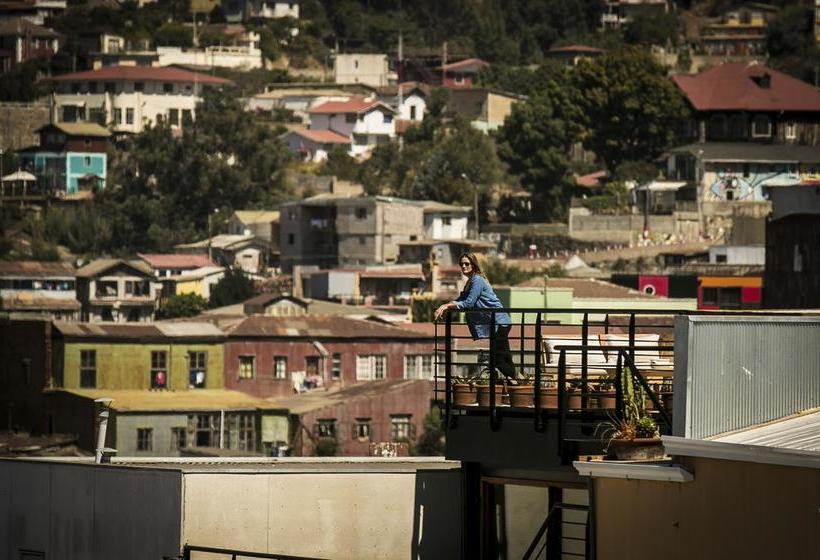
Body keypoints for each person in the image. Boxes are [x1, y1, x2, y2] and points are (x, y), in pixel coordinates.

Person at [434, 252, 517, 383]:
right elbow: (461, 299)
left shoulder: (477, 280)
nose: (464, 266)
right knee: (504, 356)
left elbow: (468, 303)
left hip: (499, 322)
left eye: (467, 263)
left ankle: (516, 379)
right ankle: (515, 383)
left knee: (498, 359)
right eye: (461, 264)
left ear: (473, 265)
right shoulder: (471, 282)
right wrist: (446, 305)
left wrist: (448, 306)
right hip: (498, 323)